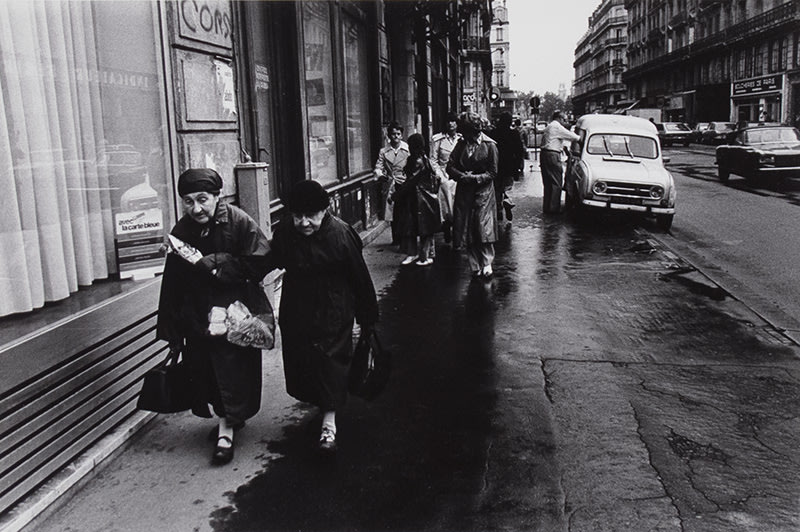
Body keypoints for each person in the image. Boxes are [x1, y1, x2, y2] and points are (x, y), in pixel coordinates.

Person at [156, 168, 272, 466]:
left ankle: (226, 429)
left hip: (234, 312)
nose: (196, 208)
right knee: (207, 369)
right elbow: (173, 282)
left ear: (217, 195)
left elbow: (261, 261)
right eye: (188, 201)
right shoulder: (182, 230)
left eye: (203, 199)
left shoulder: (239, 222)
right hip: (198, 313)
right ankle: (229, 418)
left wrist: (217, 264)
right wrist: (172, 329)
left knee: (231, 369)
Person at [266, 180, 379, 453]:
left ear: (324, 211)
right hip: (297, 308)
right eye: (297, 216)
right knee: (304, 362)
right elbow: (267, 260)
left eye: (311, 216)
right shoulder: (285, 232)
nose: (304, 223)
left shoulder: (341, 235)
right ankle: (322, 405)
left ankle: (329, 427)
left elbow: (360, 279)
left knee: (330, 363)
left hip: (333, 308)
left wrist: (368, 320)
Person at [446, 112, 499, 279]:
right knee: (467, 227)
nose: (465, 136)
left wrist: (475, 178)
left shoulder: (490, 146)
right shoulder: (461, 144)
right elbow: (450, 166)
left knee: (482, 227)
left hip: (483, 191)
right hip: (464, 191)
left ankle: (487, 263)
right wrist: (460, 176)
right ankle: (475, 264)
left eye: (467, 133)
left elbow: (493, 172)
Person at [393, 133, 441, 266]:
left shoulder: (417, 161)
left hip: (419, 199)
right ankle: (423, 255)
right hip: (421, 198)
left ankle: (421, 256)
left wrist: (396, 195)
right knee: (421, 227)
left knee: (417, 227)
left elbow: (411, 181)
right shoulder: (423, 159)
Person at [374, 122, 410, 245]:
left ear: (402, 135)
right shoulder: (384, 151)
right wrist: (380, 174)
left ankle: (405, 237)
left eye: (398, 134)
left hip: (404, 183)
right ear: (389, 135)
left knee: (404, 211)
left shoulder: (407, 149)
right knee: (393, 213)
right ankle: (396, 238)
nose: (396, 136)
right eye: (393, 134)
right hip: (391, 183)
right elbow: (378, 166)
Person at [540, 110, 579, 214]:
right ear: (559, 118)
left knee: (547, 183)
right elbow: (574, 137)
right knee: (556, 182)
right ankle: (554, 209)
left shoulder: (549, 126)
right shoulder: (557, 127)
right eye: (564, 119)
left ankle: (547, 207)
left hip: (544, 154)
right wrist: (580, 138)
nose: (564, 121)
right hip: (553, 155)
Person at [429, 112, 461, 242]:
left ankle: (458, 231)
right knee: (447, 205)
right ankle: (447, 226)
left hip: (459, 175)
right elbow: (433, 160)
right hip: (444, 175)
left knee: (459, 204)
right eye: (448, 121)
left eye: (453, 121)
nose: (450, 124)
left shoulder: (462, 139)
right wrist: (440, 175)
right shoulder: (438, 139)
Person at [490, 112, 525, 222]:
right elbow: (519, 151)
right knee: (506, 187)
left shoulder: (493, 133)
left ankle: (499, 208)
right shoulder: (514, 134)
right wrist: (518, 168)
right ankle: (507, 201)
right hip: (509, 165)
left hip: (495, 165)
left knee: (496, 188)